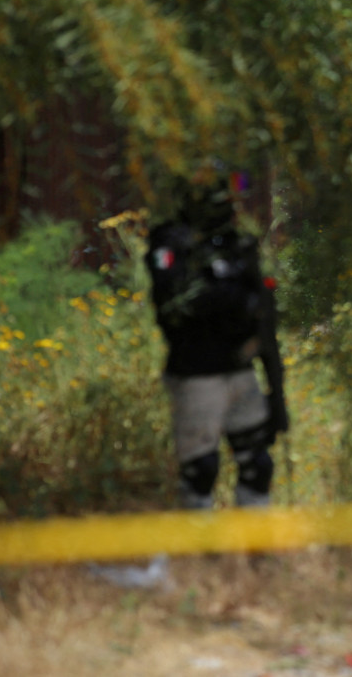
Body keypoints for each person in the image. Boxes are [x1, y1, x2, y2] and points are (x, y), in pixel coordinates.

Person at [145, 172, 288, 509]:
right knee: (201, 470)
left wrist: (277, 394)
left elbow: (265, 324)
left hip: (241, 372)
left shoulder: (238, 245)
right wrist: (236, 300)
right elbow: (174, 304)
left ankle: (255, 554)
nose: (233, 202)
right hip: (197, 374)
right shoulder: (172, 244)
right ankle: (202, 555)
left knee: (258, 465)